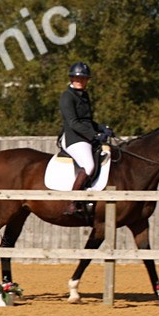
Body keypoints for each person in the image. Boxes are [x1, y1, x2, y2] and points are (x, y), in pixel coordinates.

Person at [58, 62, 112, 217]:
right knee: (88, 165)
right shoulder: (67, 96)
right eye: (76, 77)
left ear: (87, 80)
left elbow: (86, 120)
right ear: (71, 78)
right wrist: (94, 135)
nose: (79, 80)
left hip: (85, 136)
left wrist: (101, 128)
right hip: (73, 137)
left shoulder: (85, 95)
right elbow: (73, 122)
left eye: (82, 78)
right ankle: (72, 202)